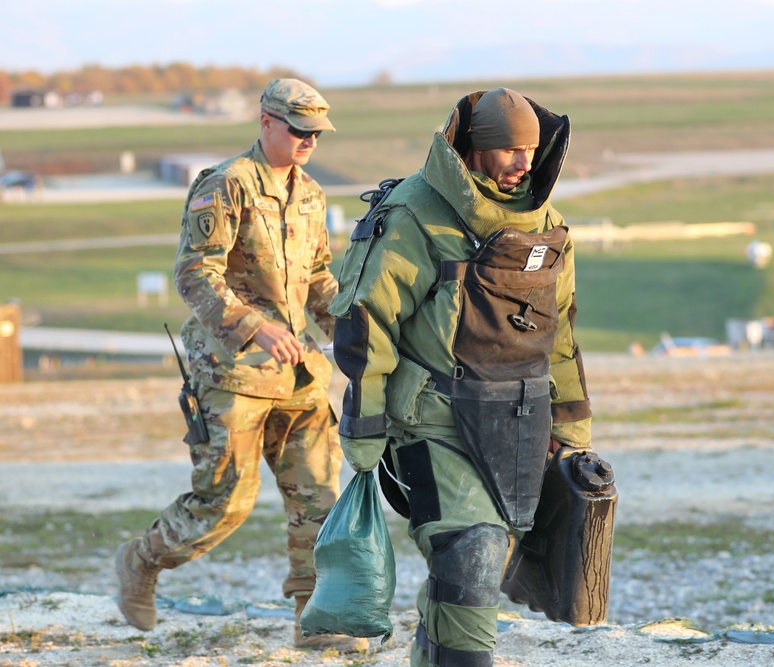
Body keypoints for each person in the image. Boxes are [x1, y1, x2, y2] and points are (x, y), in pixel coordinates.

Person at [330, 88, 592, 666]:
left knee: (479, 568)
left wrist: (572, 427)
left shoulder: (547, 225)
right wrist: (366, 425)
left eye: (529, 149)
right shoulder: (415, 215)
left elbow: (561, 336)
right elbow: (366, 320)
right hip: (433, 423)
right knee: (470, 557)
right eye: (507, 151)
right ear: (473, 151)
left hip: (520, 425)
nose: (522, 163)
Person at [114, 78, 367, 653]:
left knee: (320, 500)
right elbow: (194, 273)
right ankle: (141, 559)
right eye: (299, 130)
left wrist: (351, 332)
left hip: (300, 375)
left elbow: (320, 278)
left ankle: (319, 619)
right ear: (266, 122)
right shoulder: (223, 186)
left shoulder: (312, 195)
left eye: (316, 134)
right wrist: (253, 325)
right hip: (232, 373)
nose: (308, 142)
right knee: (224, 502)